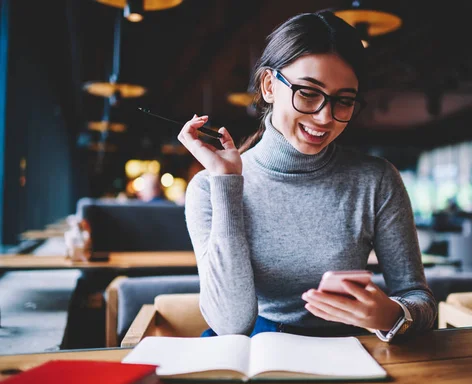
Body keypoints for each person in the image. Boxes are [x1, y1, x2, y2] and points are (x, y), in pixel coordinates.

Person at [179, 10, 436, 341]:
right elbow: (231, 324)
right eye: (309, 93)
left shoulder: (377, 180)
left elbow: (421, 301)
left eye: (344, 101)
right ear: (269, 86)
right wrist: (227, 185)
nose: (325, 117)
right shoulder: (208, 187)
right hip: (254, 350)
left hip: (347, 351)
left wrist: (393, 314)